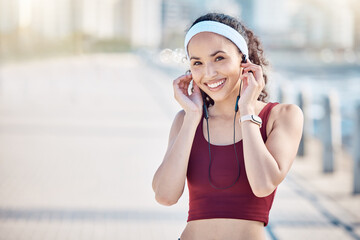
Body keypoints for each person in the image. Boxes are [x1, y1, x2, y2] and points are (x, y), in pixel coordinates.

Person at [152, 13, 303, 240]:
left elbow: (263, 185)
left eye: (219, 58)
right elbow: (165, 196)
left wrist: (247, 110)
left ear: (245, 61)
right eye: (197, 63)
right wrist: (193, 117)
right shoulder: (185, 121)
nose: (209, 72)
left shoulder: (282, 116)